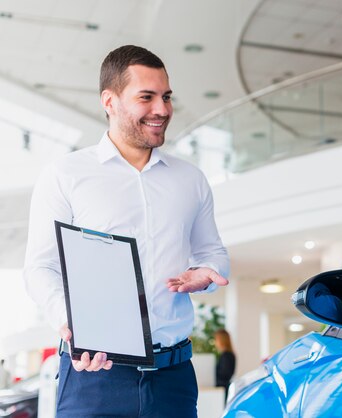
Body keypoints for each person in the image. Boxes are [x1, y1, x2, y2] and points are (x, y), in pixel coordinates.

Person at [23, 45, 230, 417]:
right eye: (146, 97)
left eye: (166, 97)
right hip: (94, 378)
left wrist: (208, 275)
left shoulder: (191, 180)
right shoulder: (66, 175)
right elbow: (40, 268)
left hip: (174, 379)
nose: (163, 110)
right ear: (110, 100)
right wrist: (70, 323)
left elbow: (214, 254)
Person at [214, 329, 236, 402]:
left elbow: (224, 374)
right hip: (223, 389)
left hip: (223, 390)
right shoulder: (227, 355)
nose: (215, 342)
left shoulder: (226, 356)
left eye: (216, 339)